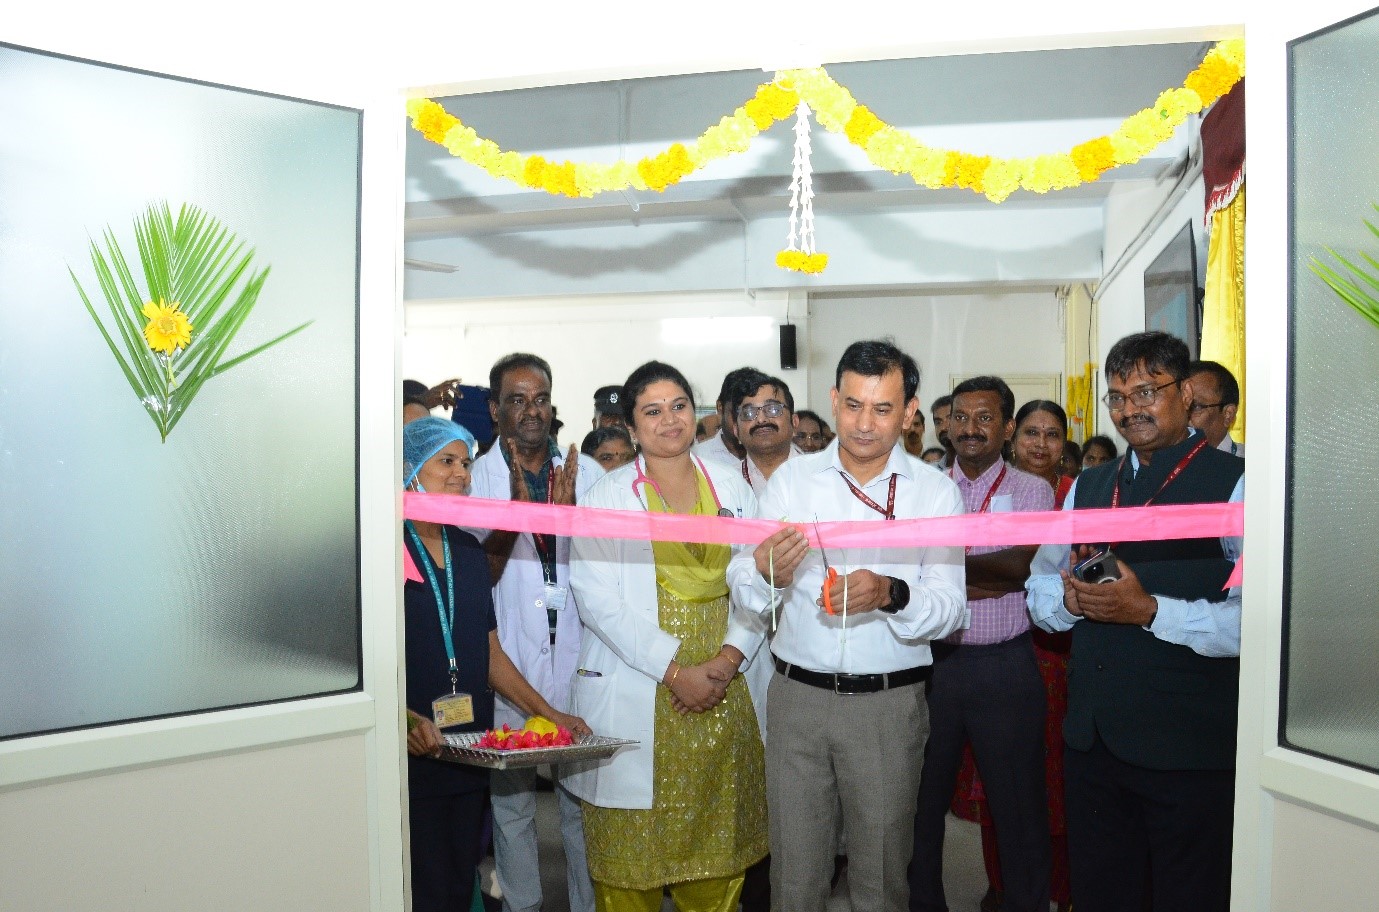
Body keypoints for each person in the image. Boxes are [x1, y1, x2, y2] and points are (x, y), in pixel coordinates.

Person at [728, 340, 967, 912]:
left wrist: (891, 593)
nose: (864, 424)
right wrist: (766, 571)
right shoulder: (792, 482)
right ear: (834, 400)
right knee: (794, 875)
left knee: (880, 878)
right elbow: (742, 582)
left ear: (909, 412)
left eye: (883, 409)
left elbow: (951, 611)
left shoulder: (935, 492)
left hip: (887, 707)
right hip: (798, 701)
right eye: (854, 405)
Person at [1026, 331, 1244, 912]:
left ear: (1186, 394)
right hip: (1095, 742)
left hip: (1188, 746)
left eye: (1147, 391)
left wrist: (1149, 611)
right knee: (1102, 892)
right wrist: (1071, 604)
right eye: (1118, 397)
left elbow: (1255, 623)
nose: (1129, 410)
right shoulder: (1091, 485)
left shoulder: (1236, 484)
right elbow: (1039, 583)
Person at [567, 360, 769, 912]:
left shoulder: (732, 486)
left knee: (715, 865)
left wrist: (726, 663)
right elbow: (597, 600)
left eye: (679, 406)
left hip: (723, 691)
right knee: (629, 871)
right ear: (632, 427)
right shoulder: (606, 497)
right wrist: (676, 673)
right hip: (640, 687)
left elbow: (761, 580)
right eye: (652, 411)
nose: (669, 420)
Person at [401, 417, 590, 912]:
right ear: (408, 470)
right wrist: (402, 719)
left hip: (466, 747)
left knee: (458, 876)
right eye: (446, 462)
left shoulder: (466, 549)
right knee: (418, 883)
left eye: (466, 463)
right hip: (411, 749)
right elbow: (366, 659)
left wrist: (549, 712)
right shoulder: (384, 549)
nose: (461, 474)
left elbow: (490, 654)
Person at [909, 378, 1052, 912]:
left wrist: (940, 570)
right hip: (933, 667)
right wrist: (979, 571)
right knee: (922, 803)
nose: (969, 429)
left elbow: (1018, 567)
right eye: (960, 417)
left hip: (1004, 667)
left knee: (1018, 807)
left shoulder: (1033, 490)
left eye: (985, 418)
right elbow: (907, 570)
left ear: (1008, 428)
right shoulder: (924, 487)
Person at [469, 353, 599, 912]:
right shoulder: (473, 480)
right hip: (510, 664)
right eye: (517, 400)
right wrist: (515, 521)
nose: (531, 411)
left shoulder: (588, 476)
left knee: (581, 805)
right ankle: (522, 906)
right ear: (494, 409)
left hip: (577, 657)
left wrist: (571, 525)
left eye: (541, 399)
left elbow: (606, 574)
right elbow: (473, 584)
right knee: (513, 807)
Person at [950, 400, 1075, 912]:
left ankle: (1059, 888)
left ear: (1064, 444)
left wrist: (953, 572)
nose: (1040, 444)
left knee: (1051, 782)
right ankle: (1000, 882)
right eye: (1031, 433)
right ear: (1012, 437)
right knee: (992, 782)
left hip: (1058, 657)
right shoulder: (968, 488)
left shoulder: (1074, 495)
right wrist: (996, 573)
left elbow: (1026, 570)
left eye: (1052, 434)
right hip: (999, 656)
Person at [726, 369, 799, 495]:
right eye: (748, 413)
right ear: (736, 430)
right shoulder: (724, 484)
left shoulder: (820, 475)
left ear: (794, 422)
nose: (761, 419)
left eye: (773, 409)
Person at [692, 366, 756, 465]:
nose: (744, 421)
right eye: (737, 412)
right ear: (720, 407)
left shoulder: (774, 453)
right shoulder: (698, 458)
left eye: (751, 413)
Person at [1186, 359, 1244, 457]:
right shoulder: (1164, 461)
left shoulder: (1249, 463)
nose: (1181, 417)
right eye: (1178, 406)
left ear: (1228, 414)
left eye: (1195, 407)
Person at [931, 394, 956, 468]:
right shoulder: (932, 471)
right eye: (938, 422)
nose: (943, 427)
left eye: (949, 419)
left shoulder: (980, 468)